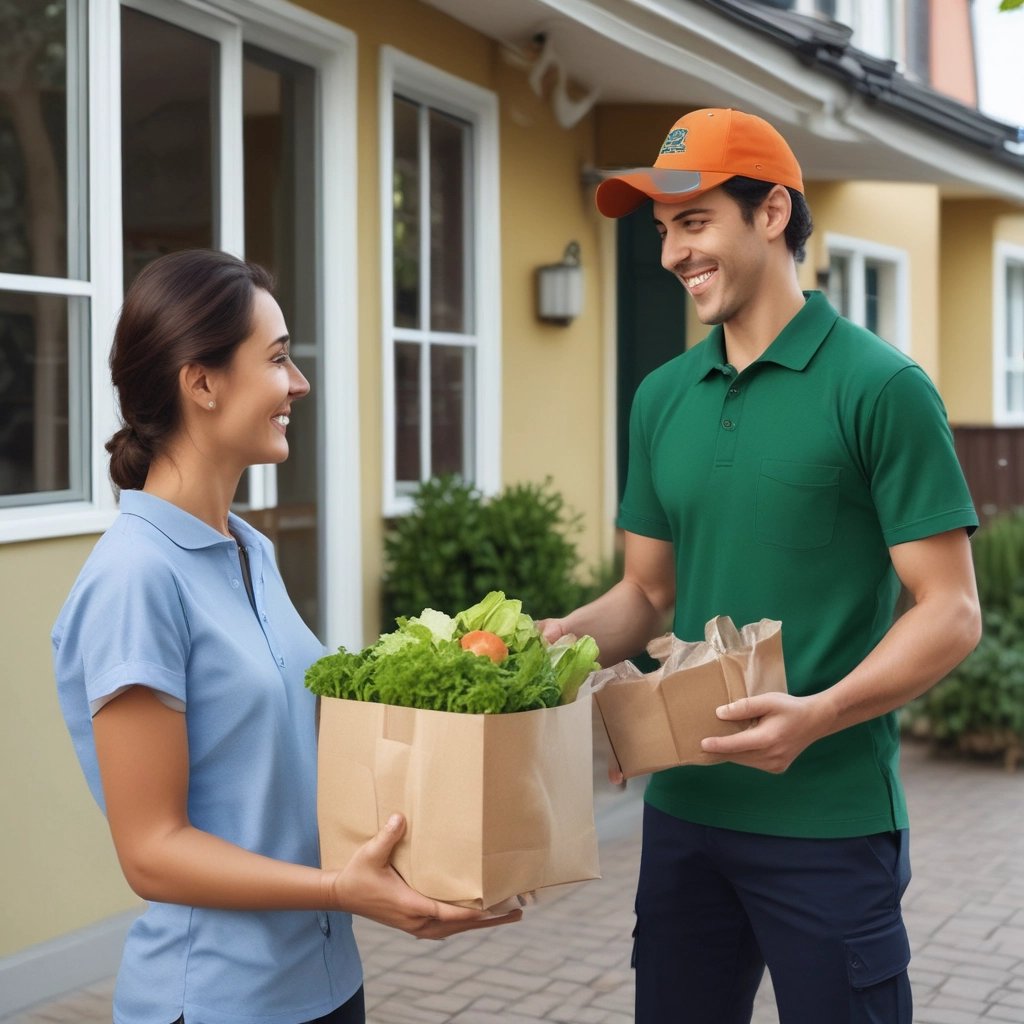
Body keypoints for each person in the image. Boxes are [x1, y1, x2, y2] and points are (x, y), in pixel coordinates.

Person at [540, 108, 981, 1023]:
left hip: (829, 821)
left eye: (694, 223)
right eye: (663, 232)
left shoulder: (880, 388)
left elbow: (949, 611)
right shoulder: (662, 397)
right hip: (685, 816)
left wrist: (812, 718)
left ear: (772, 213)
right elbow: (648, 593)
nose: (671, 254)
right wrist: (559, 641)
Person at [51, 249, 520, 1024]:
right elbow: (152, 852)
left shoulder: (248, 549)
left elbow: (304, 762)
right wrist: (342, 889)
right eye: (275, 359)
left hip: (327, 982)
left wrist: (452, 848)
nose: (298, 383)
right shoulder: (134, 578)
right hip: (216, 1001)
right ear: (200, 383)